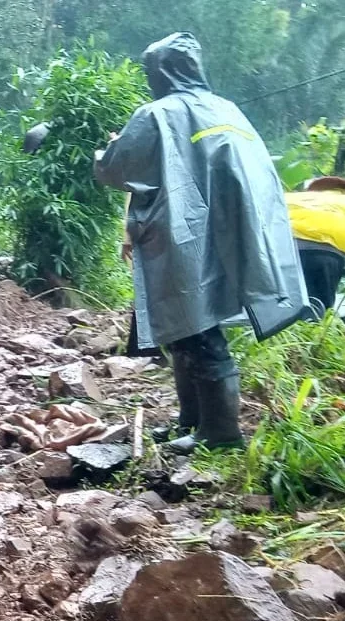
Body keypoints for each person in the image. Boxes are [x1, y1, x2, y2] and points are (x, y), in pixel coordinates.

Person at [95, 32, 308, 454]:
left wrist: (105, 152)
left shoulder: (157, 113)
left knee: (195, 327)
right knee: (188, 328)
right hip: (237, 231)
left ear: (161, 72)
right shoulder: (227, 109)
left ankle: (221, 433)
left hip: (185, 235)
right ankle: (193, 421)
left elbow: (119, 170)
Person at [286, 178, 345, 317]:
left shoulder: (294, 198)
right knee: (315, 309)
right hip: (325, 253)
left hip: (281, 249)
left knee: (282, 308)